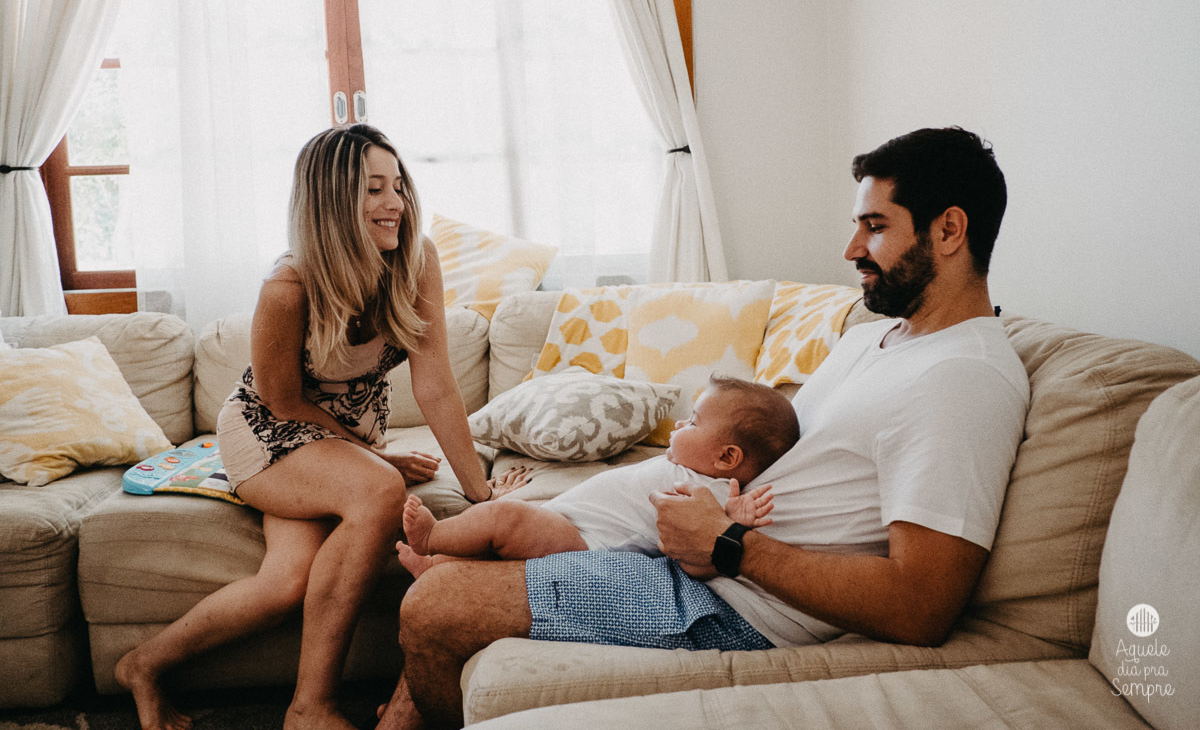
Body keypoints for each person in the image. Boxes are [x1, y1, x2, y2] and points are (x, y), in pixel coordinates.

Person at [376, 126, 1031, 730]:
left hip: (737, 605)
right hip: (701, 559)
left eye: (875, 226)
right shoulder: (880, 339)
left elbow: (921, 605)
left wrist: (728, 546)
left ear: (949, 231)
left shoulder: (962, 378)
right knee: (467, 565)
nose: (852, 249)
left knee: (435, 605)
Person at [113, 124, 526, 730]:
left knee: (284, 584)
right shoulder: (289, 286)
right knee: (378, 492)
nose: (396, 205)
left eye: (399, 187)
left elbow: (435, 383)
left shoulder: (416, 260)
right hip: (267, 435)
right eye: (373, 191)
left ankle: (140, 666)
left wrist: (480, 494)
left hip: (340, 439)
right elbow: (280, 403)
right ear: (332, 203)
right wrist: (374, 461)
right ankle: (310, 708)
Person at [396, 376, 799, 577]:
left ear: (727, 457)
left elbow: (705, 549)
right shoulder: (694, 472)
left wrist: (736, 519)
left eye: (692, 422)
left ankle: (434, 539)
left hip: (587, 544)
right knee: (501, 539)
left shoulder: (707, 491)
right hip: (573, 522)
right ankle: (441, 566)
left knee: (505, 520)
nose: (679, 424)